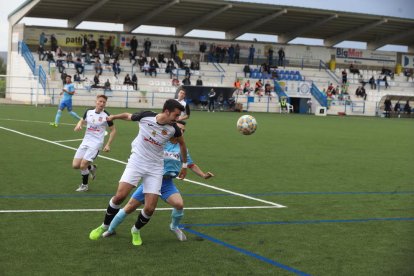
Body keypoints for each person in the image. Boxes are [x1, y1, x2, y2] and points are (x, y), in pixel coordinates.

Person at [89, 99, 187, 244]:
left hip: (155, 168)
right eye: (176, 115)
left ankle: (135, 230)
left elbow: (182, 144)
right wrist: (114, 117)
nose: (178, 118)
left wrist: (184, 165)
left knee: (149, 209)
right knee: (120, 196)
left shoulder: (174, 129)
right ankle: (104, 226)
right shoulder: (146, 116)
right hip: (137, 161)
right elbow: (128, 115)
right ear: (167, 111)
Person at [101, 120, 214, 242]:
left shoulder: (182, 148)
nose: (181, 131)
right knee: (129, 207)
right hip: (151, 180)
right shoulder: (161, 143)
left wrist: (203, 175)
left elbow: (190, 164)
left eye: (183, 130)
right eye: (179, 129)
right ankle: (110, 229)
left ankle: (173, 227)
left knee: (179, 204)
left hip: (167, 184)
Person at [73, 95, 117, 192]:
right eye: (100, 101)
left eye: (104, 102)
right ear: (96, 101)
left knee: (83, 165)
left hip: (96, 143)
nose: (101, 103)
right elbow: (82, 120)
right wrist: (79, 125)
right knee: (76, 165)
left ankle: (84, 185)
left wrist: (108, 144)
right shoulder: (89, 111)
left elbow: (113, 130)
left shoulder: (107, 116)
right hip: (86, 141)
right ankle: (92, 167)